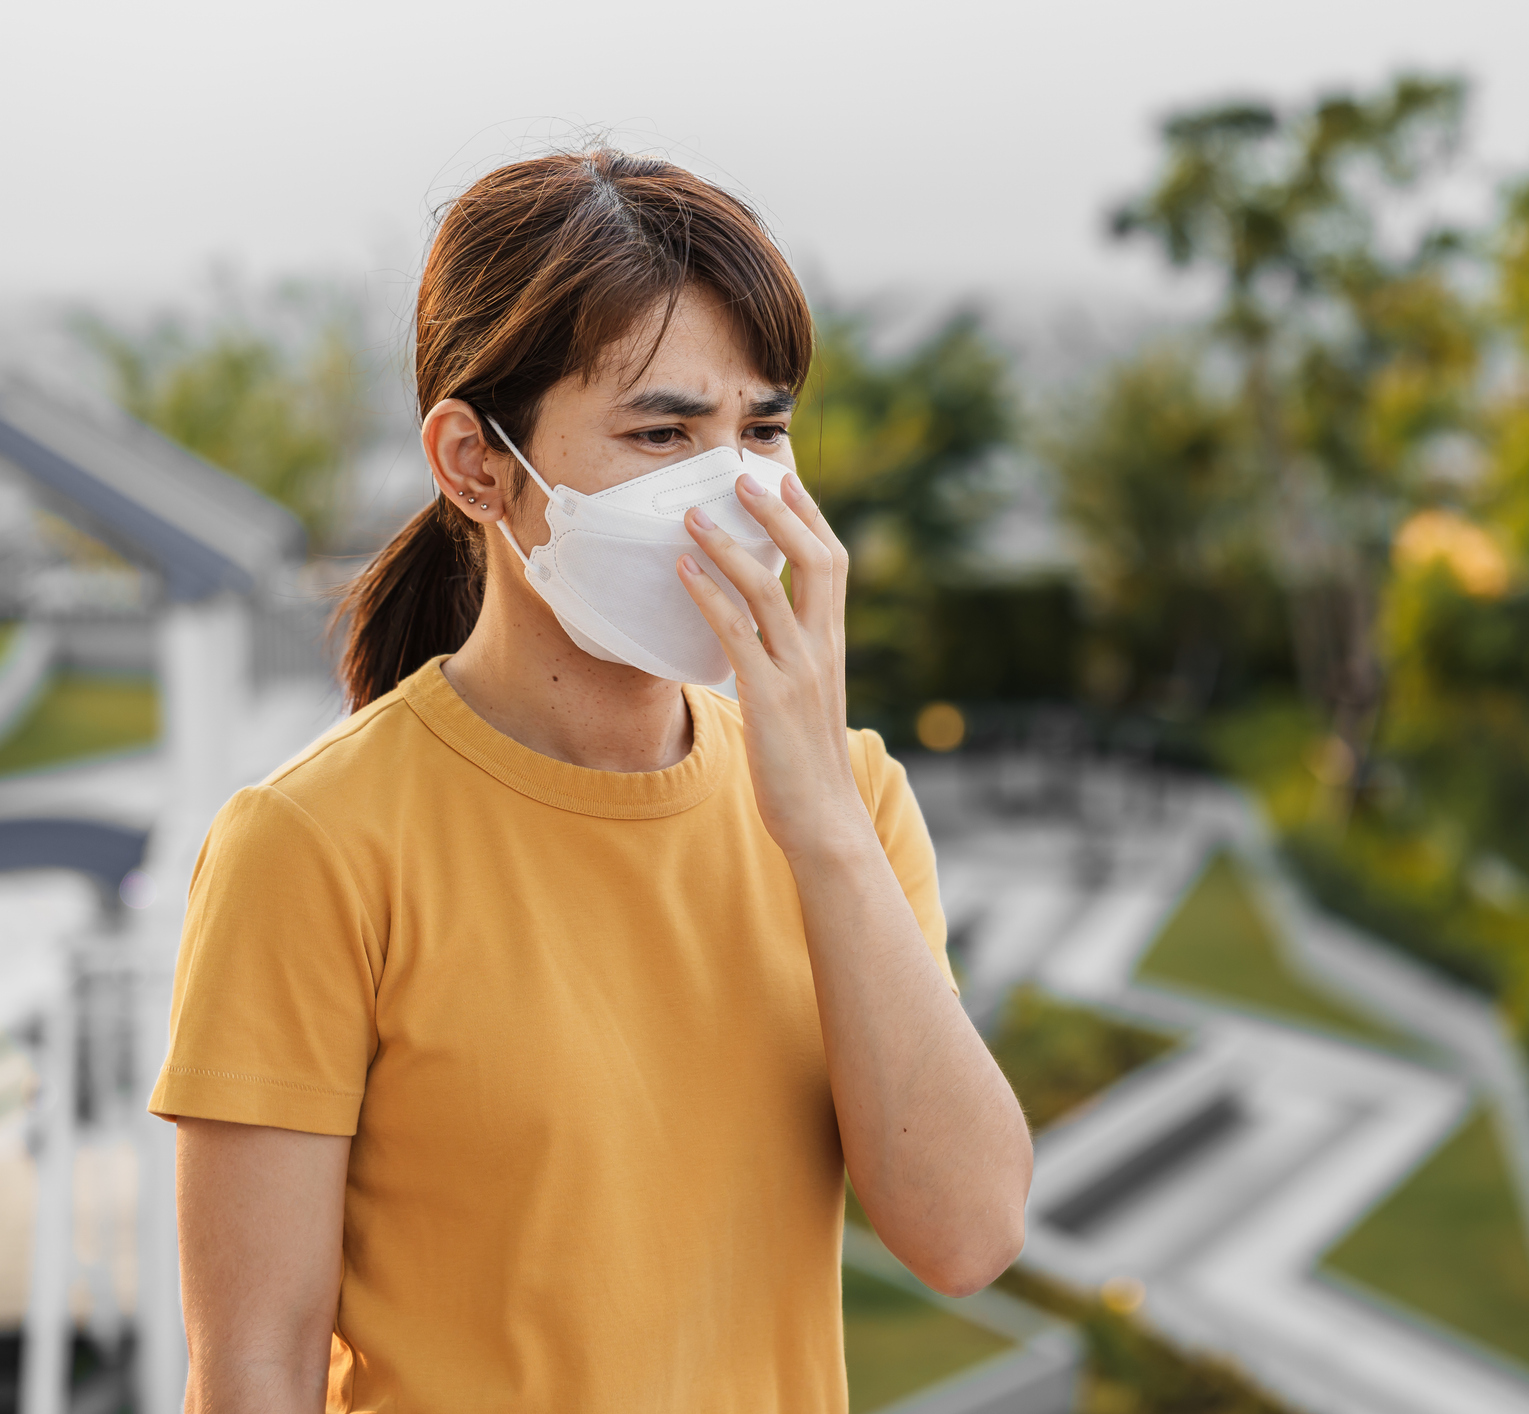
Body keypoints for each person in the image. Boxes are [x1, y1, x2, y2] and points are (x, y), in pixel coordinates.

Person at [147, 149, 1032, 1414]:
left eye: (762, 428)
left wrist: (821, 827)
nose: (732, 486)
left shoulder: (854, 807)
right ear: (474, 462)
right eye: (663, 431)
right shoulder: (314, 843)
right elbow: (252, 1370)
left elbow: (969, 1231)